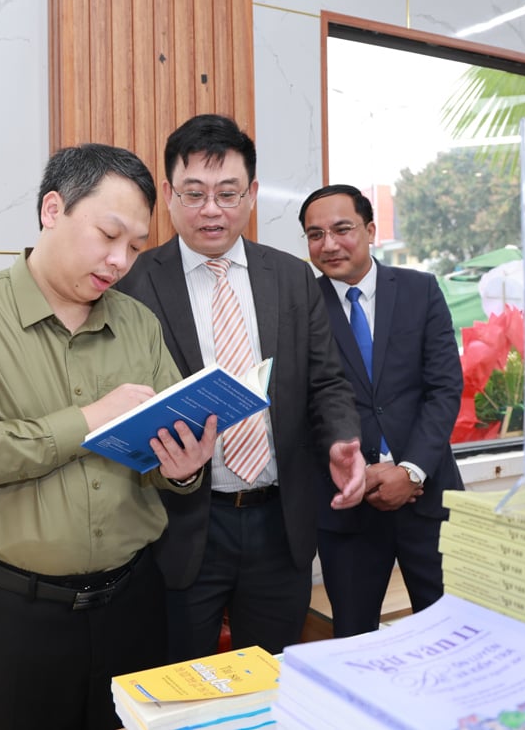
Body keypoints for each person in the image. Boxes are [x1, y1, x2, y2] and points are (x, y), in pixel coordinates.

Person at [0, 143, 218, 730]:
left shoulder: (137, 324)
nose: (121, 259)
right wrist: (88, 419)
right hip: (8, 617)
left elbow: (163, 447)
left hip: (133, 606)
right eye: (108, 234)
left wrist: (183, 469)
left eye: (134, 246)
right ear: (53, 209)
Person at [116, 114, 365, 661]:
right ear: (168, 193)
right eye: (195, 193)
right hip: (180, 530)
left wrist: (343, 439)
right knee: (180, 688)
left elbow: (327, 382)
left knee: (271, 682)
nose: (212, 209)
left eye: (228, 193)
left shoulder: (293, 277)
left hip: (282, 523)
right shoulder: (133, 284)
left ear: (251, 194)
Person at [299, 184, 466, 637]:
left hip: (428, 498)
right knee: (354, 641)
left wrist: (410, 471)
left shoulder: (420, 289)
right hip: (347, 510)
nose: (329, 244)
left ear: (371, 230)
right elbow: (302, 403)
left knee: (452, 633)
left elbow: (445, 388)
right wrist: (362, 473)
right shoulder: (300, 305)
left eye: (342, 229)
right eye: (315, 234)